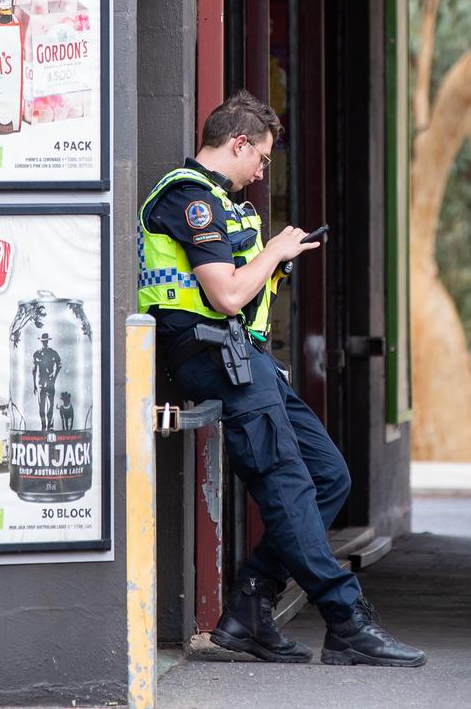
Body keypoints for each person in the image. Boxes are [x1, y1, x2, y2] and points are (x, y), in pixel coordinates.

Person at [137, 90, 426, 667]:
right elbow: (226, 295)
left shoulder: (219, 200)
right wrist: (272, 253)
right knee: (288, 482)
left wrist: (274, 259)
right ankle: (346, 620)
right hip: (215, 355)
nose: (263, 171)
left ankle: (248, 608)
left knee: (328, 476)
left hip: (247, 360)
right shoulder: (189, 198)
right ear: (238, 143)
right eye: (262, 158)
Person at [32, 333, 62, 430]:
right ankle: (43, 426)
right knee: (41, 406)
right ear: (41, 341)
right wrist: (34, 385)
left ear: (48, 341)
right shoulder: (36, 354)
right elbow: (34, 369)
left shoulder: (52, 353)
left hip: (50, 382)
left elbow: (59, 364)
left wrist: (54, 376)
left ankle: (50, 426)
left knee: (50, 405)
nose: (45, 342)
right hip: (41, 383)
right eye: (43, 341)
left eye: (46, 341)